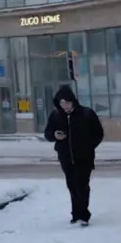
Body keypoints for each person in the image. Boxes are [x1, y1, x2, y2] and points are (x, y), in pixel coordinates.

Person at [44, 84, 105, 226]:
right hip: (66, 157)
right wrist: (54, 136)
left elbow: (98, 134)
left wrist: (88, 147)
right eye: (61, 103)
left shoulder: (86, 114)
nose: (64, 106)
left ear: (72, 101)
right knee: (72, 185)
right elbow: (47, 133)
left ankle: (83, 215)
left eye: (66, 102)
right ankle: (75, 215)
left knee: (82, 185)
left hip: (84, 157)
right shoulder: (56, 116)